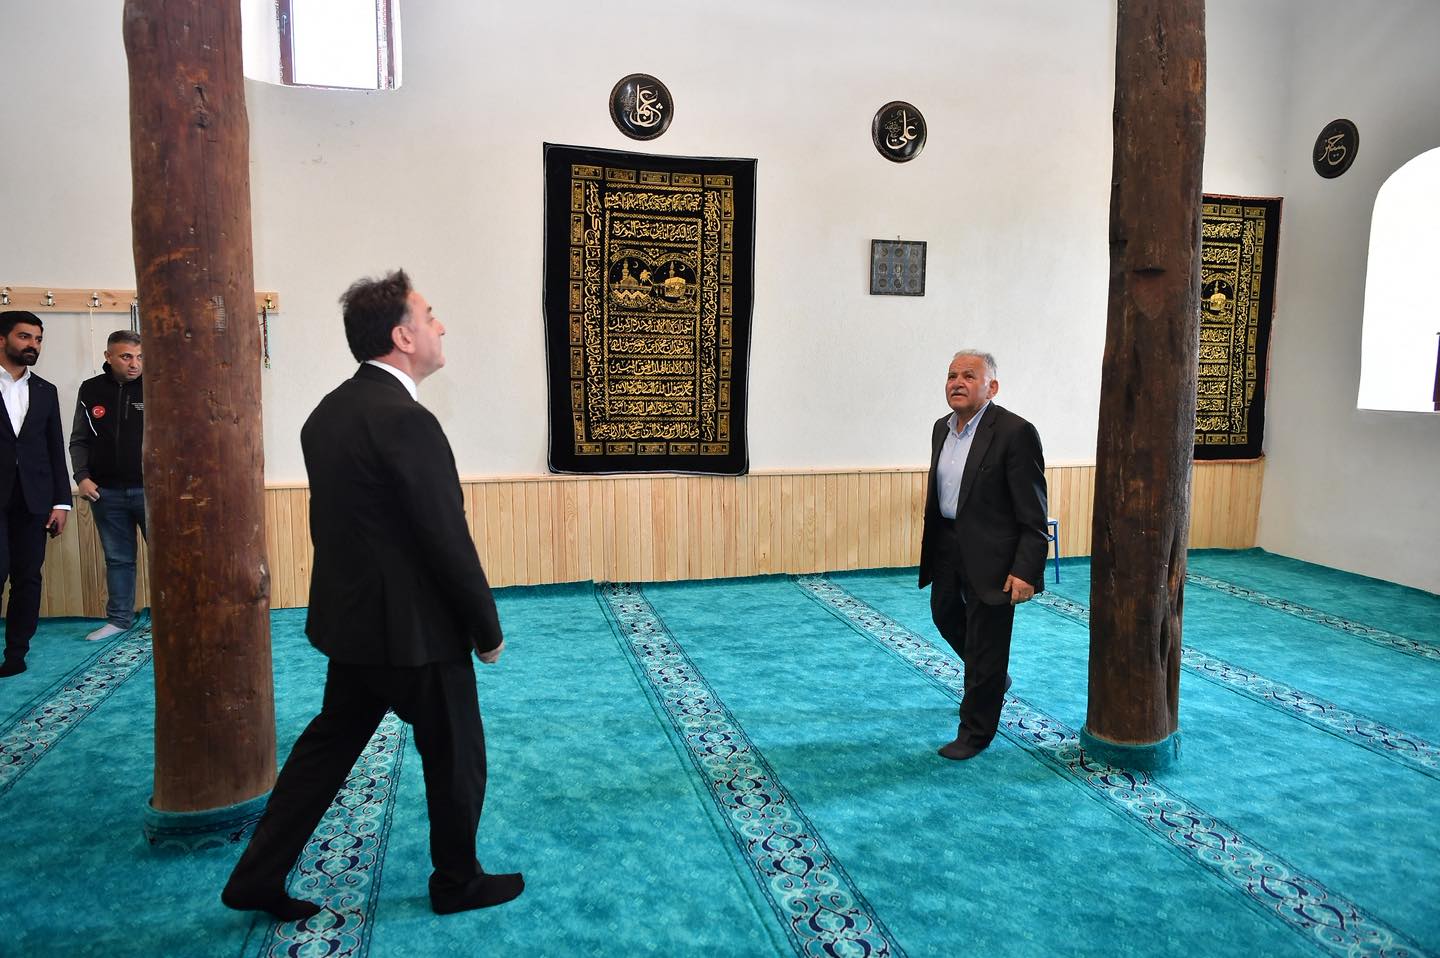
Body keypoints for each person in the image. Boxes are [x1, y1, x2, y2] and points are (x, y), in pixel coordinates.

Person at [222, 270, 523, 920]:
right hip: (416, 634)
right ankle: (458, 882)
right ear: (402, 336)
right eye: (430, 315)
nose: (441, 326)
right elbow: (446, 538)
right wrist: (486, 629)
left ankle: (256, 875)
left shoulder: (328, 412)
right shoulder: (406, 421)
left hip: (354, 626)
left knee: (324, 753)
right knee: (457, 757)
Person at [918, 350, 1049, 760]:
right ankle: (993, 679)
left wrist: (1026, 569)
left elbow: (1033, 510)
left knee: (987, 642)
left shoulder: (1015, 432)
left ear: (992, 387)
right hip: (948, 545)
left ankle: (975, 733)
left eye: (969, 376)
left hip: (995, 555)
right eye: (952, 375)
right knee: (945, 615)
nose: (957, 382)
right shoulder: (941, 428)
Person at [0, 311, 72, 679]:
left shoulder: (45, 390)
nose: (33, 345)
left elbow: (54, 448)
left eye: (38, 339)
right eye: (25, 337)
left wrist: (61, 502)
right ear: (2, 340)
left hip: (34, 500)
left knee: (27, 578)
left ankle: (16, 653)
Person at [70, 330, 147, 642]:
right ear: (109, 357)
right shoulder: (91, 389)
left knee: (170, 558)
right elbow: (79, 439)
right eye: (126, 356)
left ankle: (178, 617)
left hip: (151, 492)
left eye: (140, 357)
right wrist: (81, 476)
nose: (134, 364)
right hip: (105, 492)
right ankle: (119, 620)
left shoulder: (157, 386)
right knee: (118, 559)